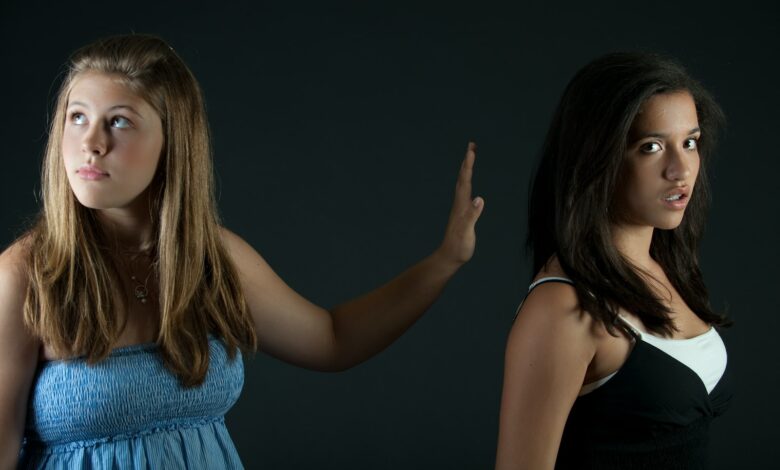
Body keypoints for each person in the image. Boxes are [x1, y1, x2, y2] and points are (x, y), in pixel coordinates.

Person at [0, 34, 484, 468]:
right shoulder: (24, 276)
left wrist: (443, 263)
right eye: (77, 117)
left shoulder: (213, 260)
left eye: (120, 122)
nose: (91, 143)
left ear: (174, 142)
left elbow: (332, 340)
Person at [495, 52, 732, 469]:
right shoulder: (564, 310)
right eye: (651, 147)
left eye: (689, 142)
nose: (681, 170)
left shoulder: (665, 267)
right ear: (598, 157)